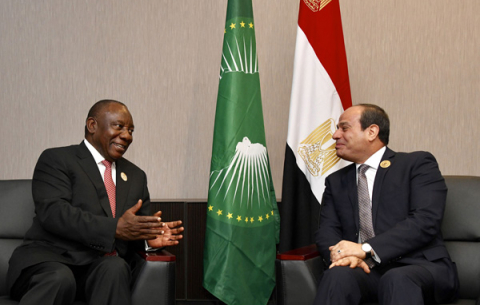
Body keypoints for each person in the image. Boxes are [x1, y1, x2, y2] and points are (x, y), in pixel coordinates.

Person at [7, 100, 184, 305]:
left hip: (97, 269)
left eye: (131, 130)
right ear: (92, 125)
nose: (127, 136)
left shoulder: (136, 176)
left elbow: (134, 227)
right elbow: (54, 213)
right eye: (119, 126)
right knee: (60, 278)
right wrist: (114, 228)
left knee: (115, 267)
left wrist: (147, 240)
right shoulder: (57, 159)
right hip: (48, 261)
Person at [314, 104, 458, 304]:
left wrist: (366, 249)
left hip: (420, 267)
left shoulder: (416, 164)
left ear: (372, 131)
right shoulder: (336, 181)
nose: (335, 135)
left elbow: (425, 221)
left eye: (344, 128)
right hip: (365, 270)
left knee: (397, 279)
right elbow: (327, 231)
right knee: (337, 276)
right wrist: (343, 256)